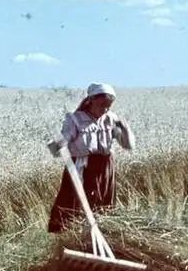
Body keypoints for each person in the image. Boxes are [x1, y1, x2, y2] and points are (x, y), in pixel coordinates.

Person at [47, 82, 136, 233]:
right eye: (102, 105)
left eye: (108, 106)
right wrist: (58, 144)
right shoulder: (75, 119)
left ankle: (101, 232)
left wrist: (126, 130)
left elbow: (128, 146)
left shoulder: (111, 119)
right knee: (76, 202)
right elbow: (62, 142)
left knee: (103, 202)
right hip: (82, 167)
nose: (105, 109)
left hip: (105, 167)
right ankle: (71, 234)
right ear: (91, 100)